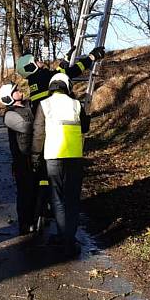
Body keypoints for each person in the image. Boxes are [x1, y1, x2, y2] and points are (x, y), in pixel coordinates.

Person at [30, 73, 90, 258]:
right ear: (67, 86)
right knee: (72, 200)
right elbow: (85, 127)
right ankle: (69, 240)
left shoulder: (44, 104)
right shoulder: (76, 104)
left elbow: (38, 133)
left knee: (57, 198)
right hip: (74, 158)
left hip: (53, 157)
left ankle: (63, 236)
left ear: (51, 87)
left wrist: (34, 156)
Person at [16, 46, 106, 113]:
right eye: (35, 60)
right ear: (30, 67)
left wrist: (65, 61)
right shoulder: (43, 76)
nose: (39, 60)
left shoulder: (35, 80)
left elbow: (55, 74)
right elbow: (72, 71)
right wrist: (91, 57)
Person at [0, 82, 36, 235]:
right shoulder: (9, 115)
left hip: (35, 155)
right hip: (22, 159)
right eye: (16, 91)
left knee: (36, 189)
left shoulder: (29, 106)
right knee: (25, 193)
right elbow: (27, 127)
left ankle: (37, 217)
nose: (20, 91)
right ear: (9, 98)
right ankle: (25, 224)